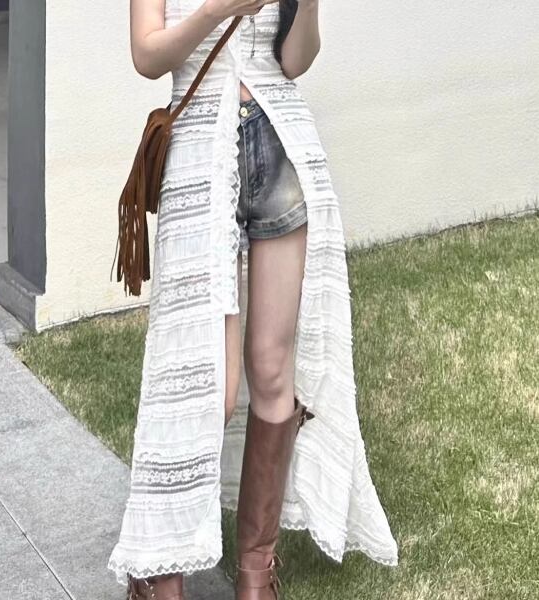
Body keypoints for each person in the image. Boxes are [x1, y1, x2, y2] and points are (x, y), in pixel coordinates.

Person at [109, 1, 399, 599]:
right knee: (206, 384)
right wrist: (219, 10)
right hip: (199, 153)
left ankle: (256, 571)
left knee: (272, 368)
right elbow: (146, 54)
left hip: (282, 145)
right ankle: (157, 570)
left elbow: (294, 61)